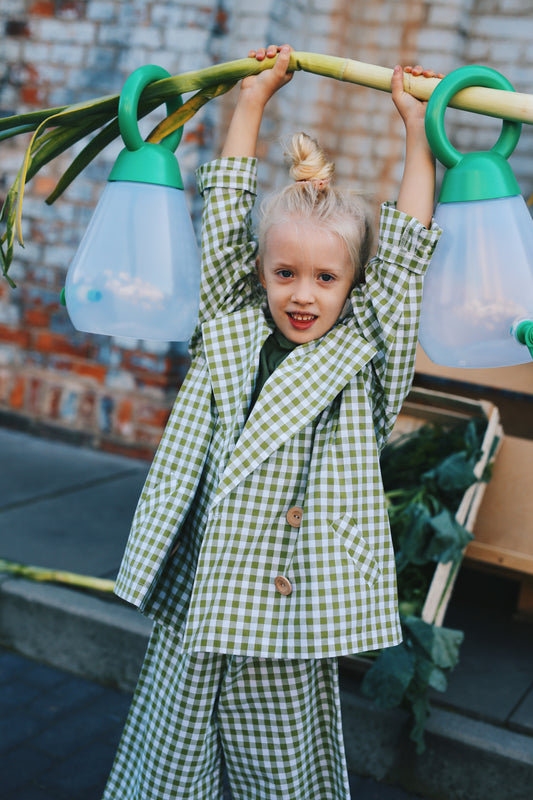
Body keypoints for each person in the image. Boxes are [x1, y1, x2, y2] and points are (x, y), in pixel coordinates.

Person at [103, 45, 441, 800]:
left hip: (289, 609)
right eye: (284, 272)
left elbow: (407, 259)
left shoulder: (364, 359)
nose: (302, 295)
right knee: (170, 762)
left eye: (325, 278)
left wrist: (414, 129)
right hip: (201, 592)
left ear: (352, 285)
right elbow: (225, 217)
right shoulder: (226, 326)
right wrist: (252, 99)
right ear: (259, 272)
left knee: (283, 773)